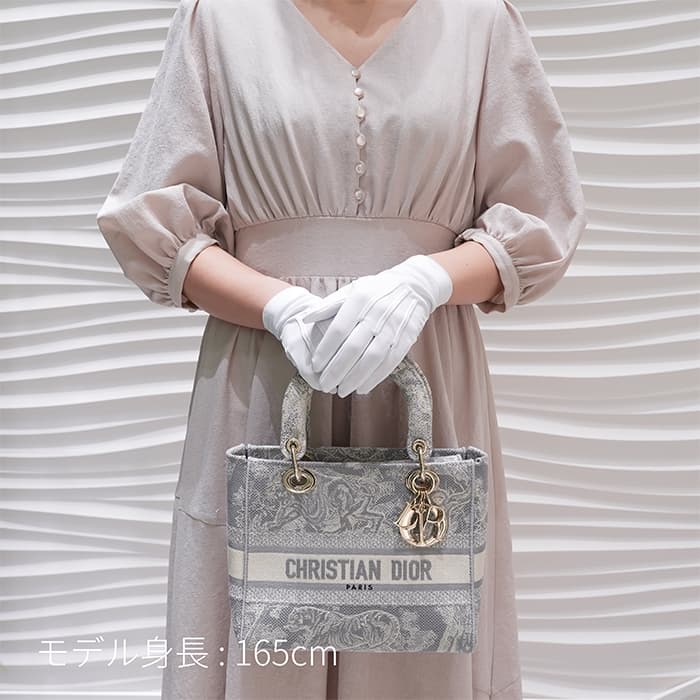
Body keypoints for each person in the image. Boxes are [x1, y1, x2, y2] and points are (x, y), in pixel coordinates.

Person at [95, 0, 588, 698]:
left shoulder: (481, 21)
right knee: (263, 629)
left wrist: (427, 279)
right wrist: (278, 306)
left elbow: (542, 216)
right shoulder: (218, 20)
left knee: (423, 619)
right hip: (266, 370)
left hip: (424, 367)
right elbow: (151, 224)